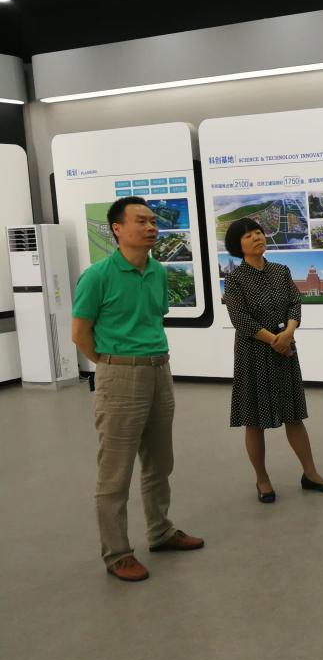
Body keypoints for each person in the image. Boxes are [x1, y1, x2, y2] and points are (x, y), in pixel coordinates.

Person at [71, 197, 204, 582]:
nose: (151, 228)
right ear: (117, 229)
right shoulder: (97, 276)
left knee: (160, 462)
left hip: (159, 370)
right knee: (116, 471)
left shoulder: (158, 271)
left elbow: (153, 319)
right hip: (120, 375)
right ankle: (117, 554)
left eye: (153, 222)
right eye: (141, 221)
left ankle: (160, 532)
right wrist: (112, 364)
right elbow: (79, 334)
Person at [221, 218, 323, 502]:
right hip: (253, 353)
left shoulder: (281, 271)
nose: (256, 238)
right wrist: (276, 340)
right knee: (254, 421)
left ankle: (310, 474)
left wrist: (288, 332)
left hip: (285, 349)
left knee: (294, 415)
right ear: (237, 245)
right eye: (248, 236)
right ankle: (262, 480)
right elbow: (240, 319)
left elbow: (295, 303)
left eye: (258, 232)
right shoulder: (235, 279)